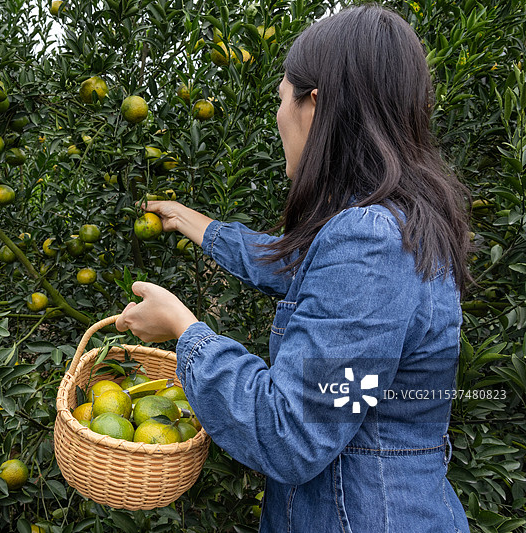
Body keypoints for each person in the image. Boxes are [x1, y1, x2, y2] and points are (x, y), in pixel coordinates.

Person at [115, 5, 472, 533]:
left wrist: (184, 332)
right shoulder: (388, 223)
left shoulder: (370, 243)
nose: (278, 116)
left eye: (281, 99)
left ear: (315, 106)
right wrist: (194, 223)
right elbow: (297, 268)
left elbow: (290, 433)